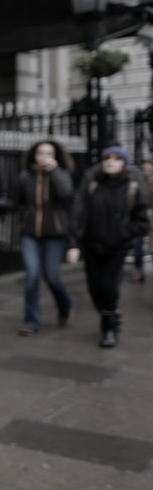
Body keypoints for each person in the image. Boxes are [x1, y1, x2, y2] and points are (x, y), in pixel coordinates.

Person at [67, 145, 150, 347]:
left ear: (123, 163)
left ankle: (109, 327)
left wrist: (125, 234)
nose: (110, 161)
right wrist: (74, 244)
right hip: (93, 243)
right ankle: (109, 313)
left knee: (109, 286)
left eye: (116, 158)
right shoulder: (93, 183)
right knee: (94, 288)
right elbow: (79, 213)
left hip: (118, 246)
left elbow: (141, 220)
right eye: (107, 158)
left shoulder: (132, 185)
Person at [0, 140, 75, 336]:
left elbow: (67, 194)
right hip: (29, 233)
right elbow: (15, 203)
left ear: (55, 156)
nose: (44, 157)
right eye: (41, 153)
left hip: (54, 234)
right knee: (32, 276)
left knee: (53, 277)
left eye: (49, 153)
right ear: (34, 155)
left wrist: (54, 172)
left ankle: (65, 305)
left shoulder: (61, 175)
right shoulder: (25, 177)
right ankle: (31, 321)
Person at [131, 157, 153, 282]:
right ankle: (139, 270)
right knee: (137, 245)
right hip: (140, 216)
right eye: (145, 167)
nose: (147, 169)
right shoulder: (137, 180)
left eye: (149, 167)